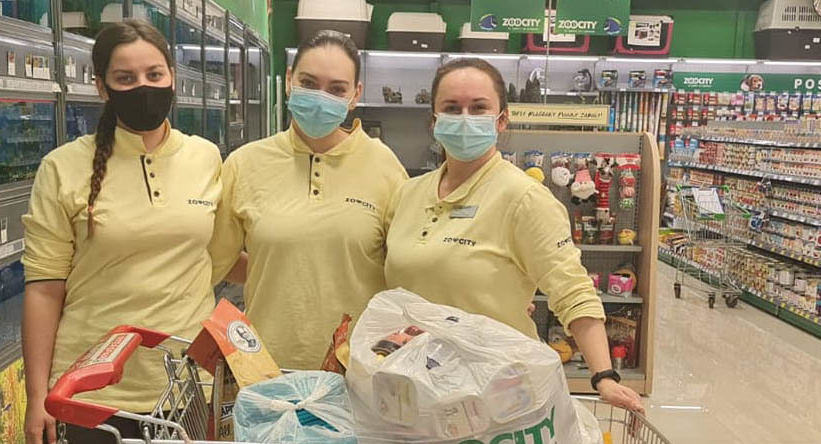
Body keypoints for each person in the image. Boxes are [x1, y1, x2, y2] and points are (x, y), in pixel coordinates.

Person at [21, 20, 222, 444]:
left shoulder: (208, 159)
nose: (143, 86)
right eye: (125, 77)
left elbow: (226, 251)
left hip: (182, 389)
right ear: (102, 87)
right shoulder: (64, 168)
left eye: (154, 74)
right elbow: (43, 289)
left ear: (173, 79)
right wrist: (39, 397)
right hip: (88, 392)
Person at [383, 58, 644, 413]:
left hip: (492, 392)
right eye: (450, 108)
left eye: (478, 108)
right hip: (412, 386)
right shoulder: (408, 194)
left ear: (502, 119)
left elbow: (571, 289)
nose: (463, 118)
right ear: (434, 120)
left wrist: (604, 376)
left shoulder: (524, 198)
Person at [209, 31, 408, 370]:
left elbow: (408, 265)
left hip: (358, 368)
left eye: (336, 89)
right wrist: (279, 267)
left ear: (355, 95)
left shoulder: (385, 166)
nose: (321, 97)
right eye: (309, 82)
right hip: (267, 366)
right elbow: (218, 260)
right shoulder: (245, 164)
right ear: (289, 80)